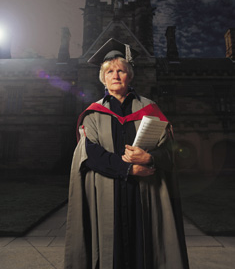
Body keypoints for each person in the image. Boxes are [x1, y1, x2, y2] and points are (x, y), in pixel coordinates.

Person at [64, 38, 189, 269]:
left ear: (130, 75)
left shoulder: (150, 109)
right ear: (103, 78)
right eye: (110, 71)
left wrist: (150, 158)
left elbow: (171, 151)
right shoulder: (92, 114)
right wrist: (130, 168)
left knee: (145, 247)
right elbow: (91, 155)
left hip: (146, 193)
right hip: (106, 190)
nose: (116, 75)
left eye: (121, 70)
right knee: (111, 250)